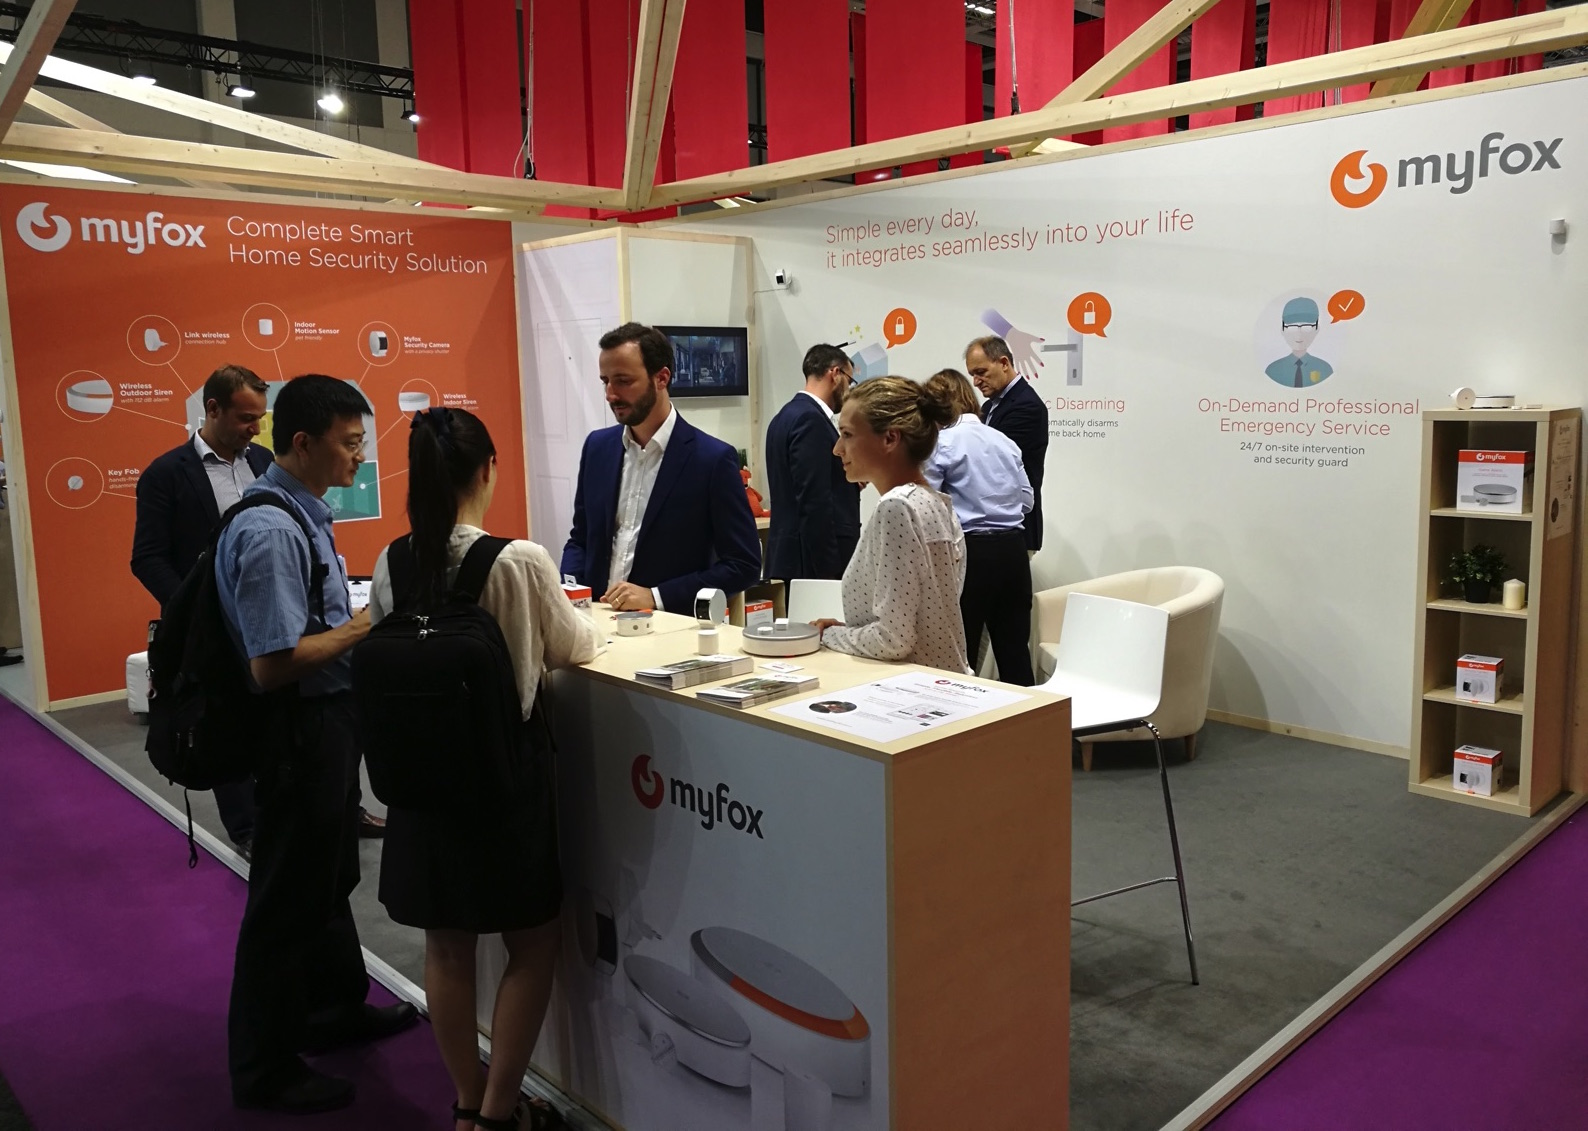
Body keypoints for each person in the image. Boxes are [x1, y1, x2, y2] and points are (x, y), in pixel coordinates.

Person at [369, 408, 600, 1131]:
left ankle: (468, 1100)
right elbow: (572, 646)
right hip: (504, 781)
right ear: (487, 469)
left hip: (418, 784)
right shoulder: (519, 560)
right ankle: (501, 1113)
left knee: (446, 945)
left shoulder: (391, 561)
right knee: (532, 942)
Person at [214, 374, 416, 1113]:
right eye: (350, 443)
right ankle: (263, 1066)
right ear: (303, 442)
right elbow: (271, 665)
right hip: (295, 732)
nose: (360, 458)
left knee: (328, 880)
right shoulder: (271, 530)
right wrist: (367, 625)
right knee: (287, 897)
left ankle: (333, 1009)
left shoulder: (302, 512)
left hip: (325, 726)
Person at [131, 363, 272, 856]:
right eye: (246, 418)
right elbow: (147, 558)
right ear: (212, 408)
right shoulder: (166, 474)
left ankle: (300, 809)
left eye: (259, 417)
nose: (255, 428)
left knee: (280, 714)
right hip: (208, 627)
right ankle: (246, 829)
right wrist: (192, 606)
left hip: (268, 613)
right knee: (223, 720)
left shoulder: (264, 462)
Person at [561, 322, 761, 611]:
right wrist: (570, 590)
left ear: (662, 378)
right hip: (595, 622)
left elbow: (743, 565)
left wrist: (656, 596)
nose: (610, 394)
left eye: (623, 381)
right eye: (605, 381)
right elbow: (581, 539)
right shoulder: (597, 448)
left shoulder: (712, 460)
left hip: (668, 628)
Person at [811, 376, 969, 674]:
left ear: (890, 439)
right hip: (938, 681)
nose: (837, 449)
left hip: (911, 688)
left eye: (847, 435)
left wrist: (828, 635)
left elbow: (893, 640)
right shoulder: (936, 503)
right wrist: (849, 633)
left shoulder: (897, 508)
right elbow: (917, 622)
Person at [922, 369, 1036, 686]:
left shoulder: (941, 444)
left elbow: (927, 505)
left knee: (963, 653)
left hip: (969, 553)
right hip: (1013, 551)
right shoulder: (1004, 441)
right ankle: (1028, 717)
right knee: (1015, 652)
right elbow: (1027, 500)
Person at [763, 343, 860, 583]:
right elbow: (814, 500)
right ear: (835, 374)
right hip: (812, 565)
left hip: (792, 557)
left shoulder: (783, 417)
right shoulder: (811, 420)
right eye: (849, 381)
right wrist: (828, 571)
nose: (849, 390)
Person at [966, 335, 1049, 554]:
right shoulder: (989, 407)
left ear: (1004, 363)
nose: (976, 382)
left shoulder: (1027, 406)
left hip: (1015, 528)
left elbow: (988, 463)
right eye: (972, 375)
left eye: (981, 372)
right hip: (992, 527)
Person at [1264, 296, 1334, 387]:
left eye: (1306, 326)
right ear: (1282, 330)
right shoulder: (1272, 371)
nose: (1299, 334)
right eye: (1292, 327)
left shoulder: (1325, 369)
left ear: (1316, 330)